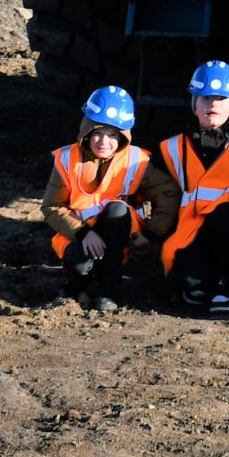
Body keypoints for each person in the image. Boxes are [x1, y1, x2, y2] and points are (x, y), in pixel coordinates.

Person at [144, 61, 229, 317]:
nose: (213, 105)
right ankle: (203, 278)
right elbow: (157, 198)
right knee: (192, 285)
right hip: (191, 232)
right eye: (206, 98)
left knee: (226, 215)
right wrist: (151, 232)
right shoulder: (171, 148)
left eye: (221, 99)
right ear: (194, 104)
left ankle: (226, 284)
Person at [40, 85, 151, 312]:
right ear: (87, 131)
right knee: (80, 263)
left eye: (112, 135)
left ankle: (109, 290)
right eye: (98, 133)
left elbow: (167, 193)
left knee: (118, 210)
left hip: (118, 238)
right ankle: (75, 286)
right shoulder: (67, 159)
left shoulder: (137, 160)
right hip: (80, 236)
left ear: (123, 137)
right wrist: (82, 233)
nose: (103, 141)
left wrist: (153, 233)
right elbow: (51, 206)